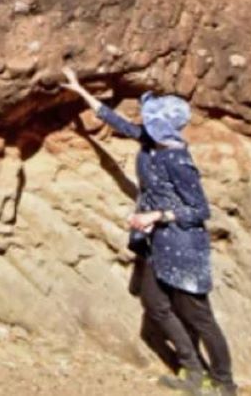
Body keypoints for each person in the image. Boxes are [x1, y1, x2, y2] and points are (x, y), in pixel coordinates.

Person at [61, 67, 237, 396]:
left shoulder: (178, 160)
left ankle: (225, 383)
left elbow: (200, 210)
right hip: (157, 245)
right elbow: (118, 123)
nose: (145, 125)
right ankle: (194, 372)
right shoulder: (151, 141)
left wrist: (156, 214)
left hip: (184, 247)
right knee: (154, 303)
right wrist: (79, 91)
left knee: (199, 317)